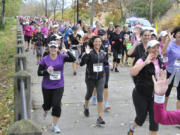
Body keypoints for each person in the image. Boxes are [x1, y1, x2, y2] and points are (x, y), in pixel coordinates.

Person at [37, 41, 75, 133]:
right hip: (46, 86)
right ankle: (45, 109)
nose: (53, 49)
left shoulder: (62, 57)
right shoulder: (45, 59)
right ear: (49, 49)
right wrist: (47, 71)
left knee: (56, 105)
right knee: (47, 105)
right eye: (51, 47)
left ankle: (55, 125)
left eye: (55, 47)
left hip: (59, 85)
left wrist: (67, 51)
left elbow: (73, 59)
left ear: (57, 48)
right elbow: (39, 73)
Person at [128, 40, 165, 135]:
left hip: (156, 96)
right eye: (153, 48)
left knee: (155, 122)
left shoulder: (160, 60)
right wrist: (145, 62)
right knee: (141, 118)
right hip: (141, 94)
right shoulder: (142, 59)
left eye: (157, 47)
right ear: (148, 49)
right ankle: (132, 128)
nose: (156, 50)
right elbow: (132, 72)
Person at [80, 36, 107, 125]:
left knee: (100, 96)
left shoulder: (102, 53)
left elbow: (105, 62)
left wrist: (108, 63)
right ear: (93, 43)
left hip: (101, 77)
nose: (98, 43)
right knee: (89, 94)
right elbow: (81, 63)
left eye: (99, 41)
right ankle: (86, 107)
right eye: (96, 41)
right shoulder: (89, 52)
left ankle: (99, 117)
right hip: (90, 78)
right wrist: (86, 54)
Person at [161, 26, 180, 109]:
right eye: (178, 33)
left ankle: (178, 114)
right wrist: (168, 40)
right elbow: (163, 52)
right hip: (170, 72)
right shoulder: (171, 44)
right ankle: (163, 111)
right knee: (166, 93)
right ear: (175, 35)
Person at [92, 29, 111, 111]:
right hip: (98, 65)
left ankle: (106, 103)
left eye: (102, 35)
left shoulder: (107, 42)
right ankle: (94, 96)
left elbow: (109, 52)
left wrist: (110, 58)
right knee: (97, 84)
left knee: (106, 85)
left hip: (105, 66)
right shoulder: (95, 44)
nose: (101, 36)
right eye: (99, 35)